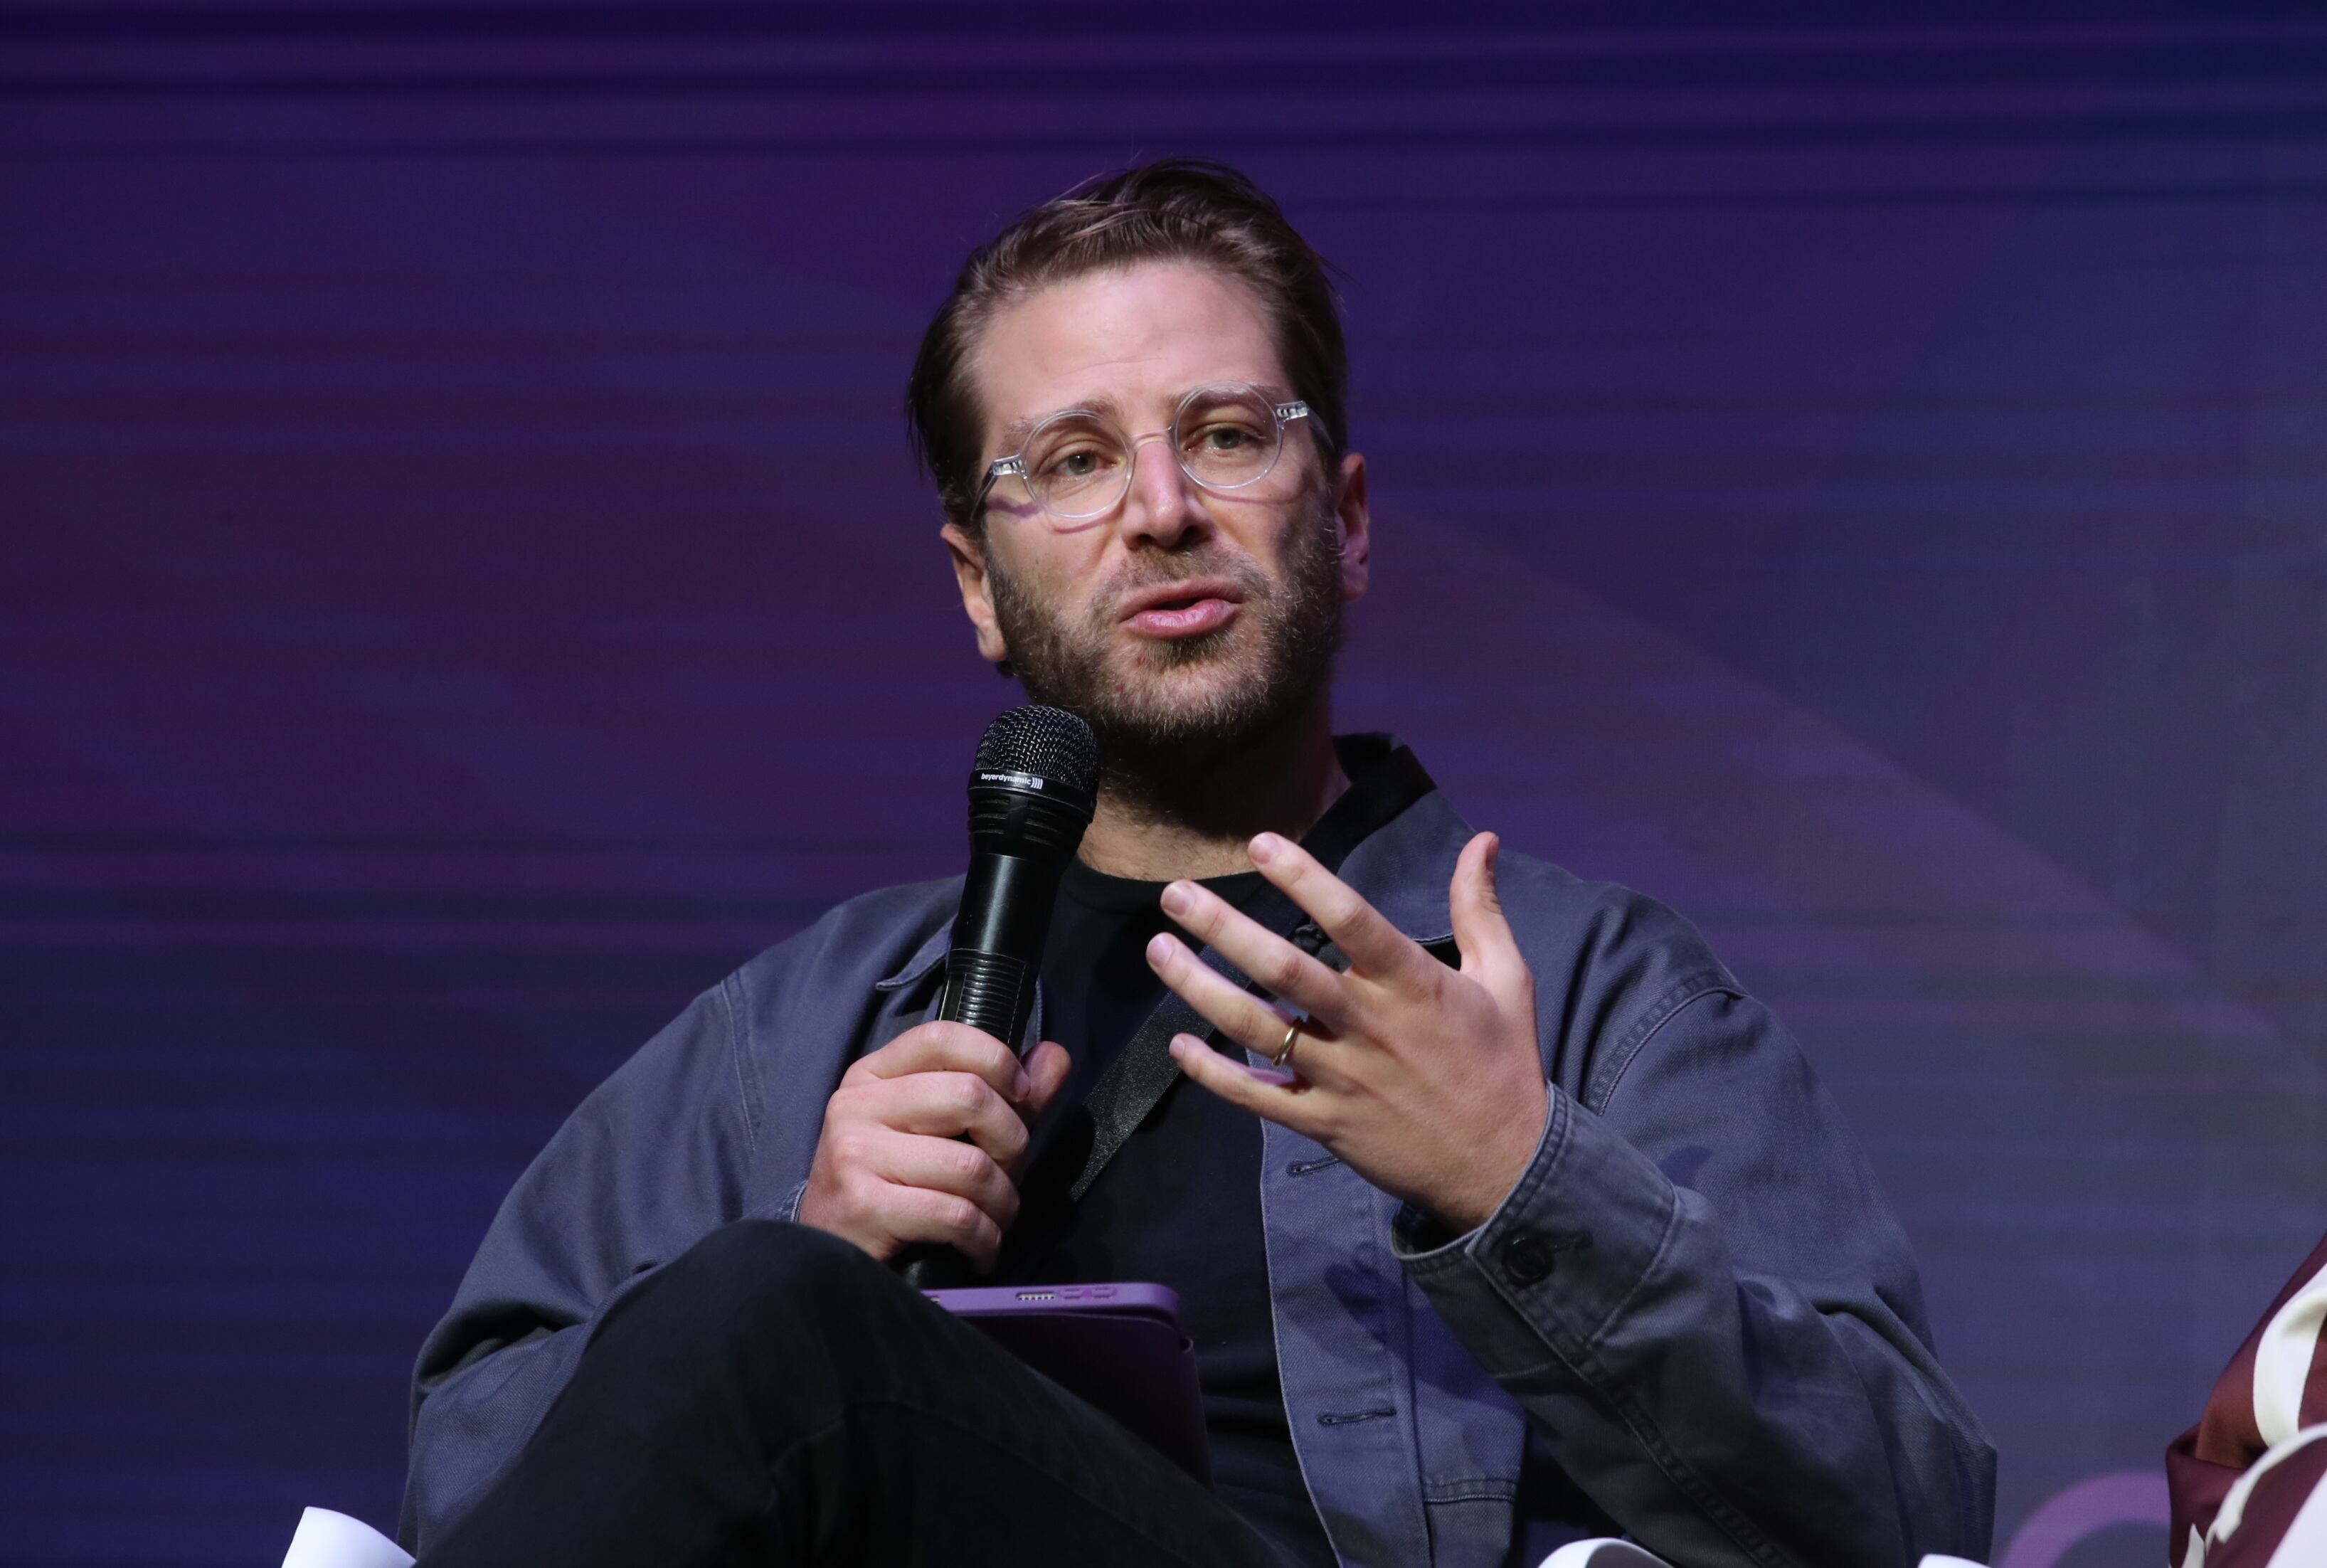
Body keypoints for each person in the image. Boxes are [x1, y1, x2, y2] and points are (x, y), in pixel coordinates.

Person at [401, 160, 1994, 1568]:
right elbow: (476, 1483)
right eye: (1073, 462)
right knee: (769, 1300)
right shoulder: (802, 1024)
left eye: (1227, 436)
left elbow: (1905, 1516)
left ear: (1348, 523)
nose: (1161, 511)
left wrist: (1519, 1176)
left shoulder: (1591, 993)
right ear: (975, 583)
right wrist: (824, 1250)